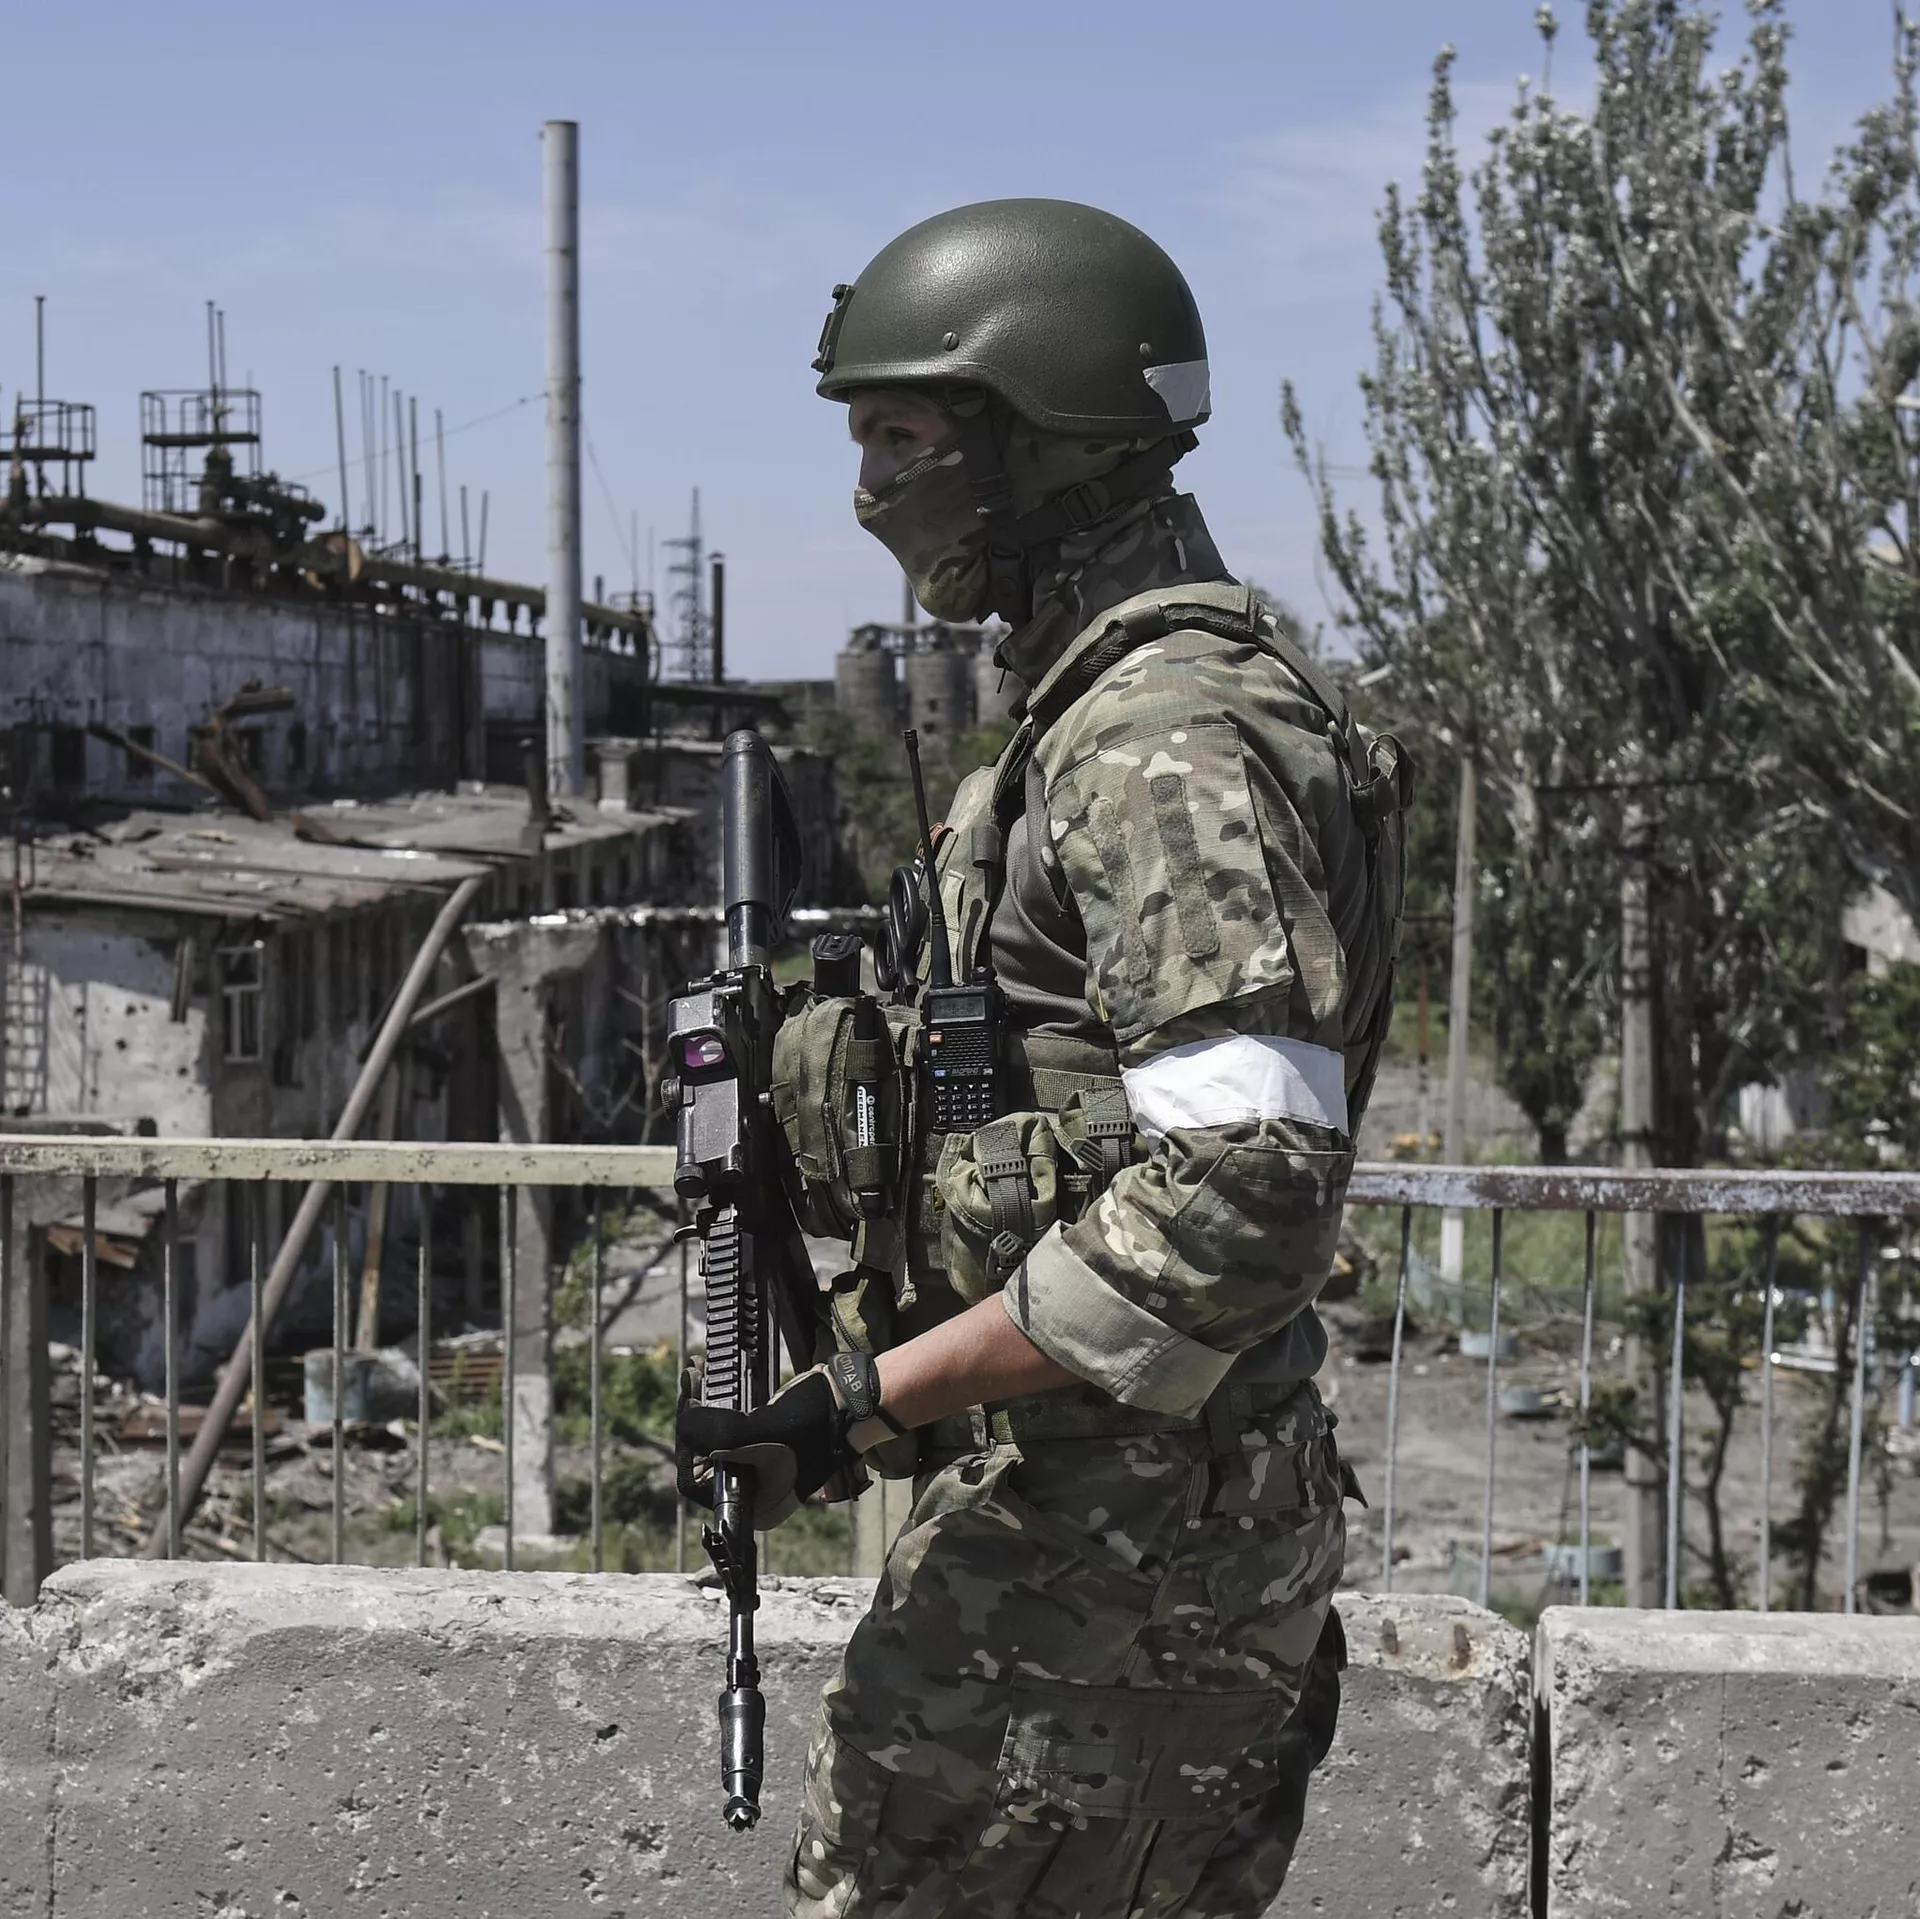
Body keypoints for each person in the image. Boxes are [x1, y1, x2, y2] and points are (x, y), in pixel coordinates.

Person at [678, 197, 1408, 1919]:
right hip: (1121, 1539)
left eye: (902, 437)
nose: (870, 489)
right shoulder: (1104, 714)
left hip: (1120, 1576)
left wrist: (877, 1397)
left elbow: (1241, 1194)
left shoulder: (1162, 737)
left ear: (1047, 431)